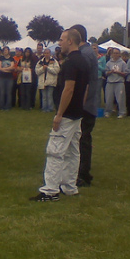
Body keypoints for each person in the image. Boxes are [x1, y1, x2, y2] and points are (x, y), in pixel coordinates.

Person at [30, 28, 89, 202]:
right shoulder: (84, 61)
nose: (60, 42)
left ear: (70, 41)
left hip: (68, 114)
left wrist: (59, 114)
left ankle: (50, 191)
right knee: (72, 151)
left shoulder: (71, 62)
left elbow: (68, 88)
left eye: (62, 39)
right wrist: (80, 106)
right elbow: (85, 89)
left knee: (55, 151)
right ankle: (69, 187)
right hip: (77, 114)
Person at [71, 24, 99, 188]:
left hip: (85, 105)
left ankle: (83, 174)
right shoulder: (87, 52)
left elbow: (85, 83)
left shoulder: (85, 54)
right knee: (82, 138)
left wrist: (79, 105)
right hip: (87, 103)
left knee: (83, 139)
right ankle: (81, 172)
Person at [105, 48, 127, 118]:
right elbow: (105, 72)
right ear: (112, 54)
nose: (115, 54)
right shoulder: (109, 63)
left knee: (120, 98)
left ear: (119, 54)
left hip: (119, 82)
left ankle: (122, 112)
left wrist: (119, 72)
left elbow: (125, 73)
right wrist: (110, 72)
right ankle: (108, 112)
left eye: (117, 53)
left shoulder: (123, 63)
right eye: (114, 53)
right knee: (108, 98)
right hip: (110, 82)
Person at [0, 46, 15, 111]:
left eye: (6, 50)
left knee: (8, 92)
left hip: (9, 78)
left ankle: (8, 106)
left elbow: (12, 67)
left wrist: (3, 69)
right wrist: (7, 69)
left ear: (9, 51)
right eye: (4, 50)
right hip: (1, 77)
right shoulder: (1, 58)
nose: (5, 51)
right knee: (2, 92)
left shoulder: (11, 59)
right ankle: (1, 106)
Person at [91, 43, 106, 108]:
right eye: (92, 49)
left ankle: (97, 108)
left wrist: (97, 65)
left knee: (97, 94)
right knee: (90, 94)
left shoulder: (102, 58)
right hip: (90, 78)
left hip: (98, 78)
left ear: (97, 49)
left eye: (95, 48)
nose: (93, 50)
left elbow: (104, 69)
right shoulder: (89, 57)